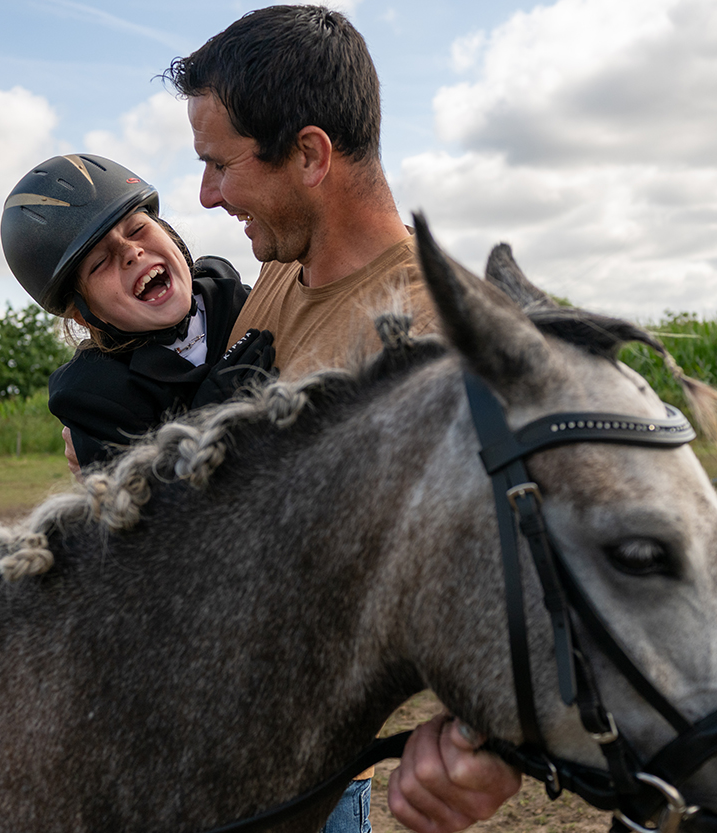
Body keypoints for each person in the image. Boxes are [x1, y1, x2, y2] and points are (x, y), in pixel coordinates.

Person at [164, 6, 523, 833]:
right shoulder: (281, 270)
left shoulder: (439, 333)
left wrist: (493, 747)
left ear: (310, 154)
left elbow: (540, 566)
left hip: (307, 792)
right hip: (199, 760)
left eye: (219, 165)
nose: (207, 195)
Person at [0, 152, 274, 468]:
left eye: (137, 229)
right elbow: (144, 495)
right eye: (99, 263)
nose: (131, 251)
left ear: (168, 233)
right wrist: (205, 421)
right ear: (85, 316)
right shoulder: (95, 395)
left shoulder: (230, 292)